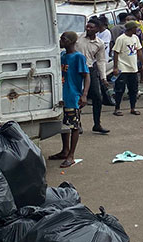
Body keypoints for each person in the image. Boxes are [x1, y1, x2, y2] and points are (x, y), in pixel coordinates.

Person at [50, 31, 90, 168]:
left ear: (71, 42)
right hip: (61, 96)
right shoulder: (62, 56)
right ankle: (64, 150)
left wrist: (84, 94)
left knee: (74, 126)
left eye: (63, 39)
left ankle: (71, 155)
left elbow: (86, 75)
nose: (60, 41)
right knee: (64, 125)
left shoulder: (78, 57)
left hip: (73, 96)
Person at [75, 17, 110, 134]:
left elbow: (101, 61)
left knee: (97, 98)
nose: (88, 29)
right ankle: (77, 123)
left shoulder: (99, 43)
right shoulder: (78, 38)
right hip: (76, 71)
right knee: (78, 98)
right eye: (87, 26)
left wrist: (103, 77)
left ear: (98, 30)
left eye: (91, 27)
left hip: (90, 70)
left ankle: (97, 124)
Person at [112, 21, 143, 117]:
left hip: (133, 67)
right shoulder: (121, 39)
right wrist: (115, 67)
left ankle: (133, 107)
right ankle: (117, 108)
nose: (137, 30)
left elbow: (139, 51)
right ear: (131, 29)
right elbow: (116, 52)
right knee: (120, 89)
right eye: (135, 28)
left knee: (133, 89)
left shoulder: (135, 38)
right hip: (123, 67)